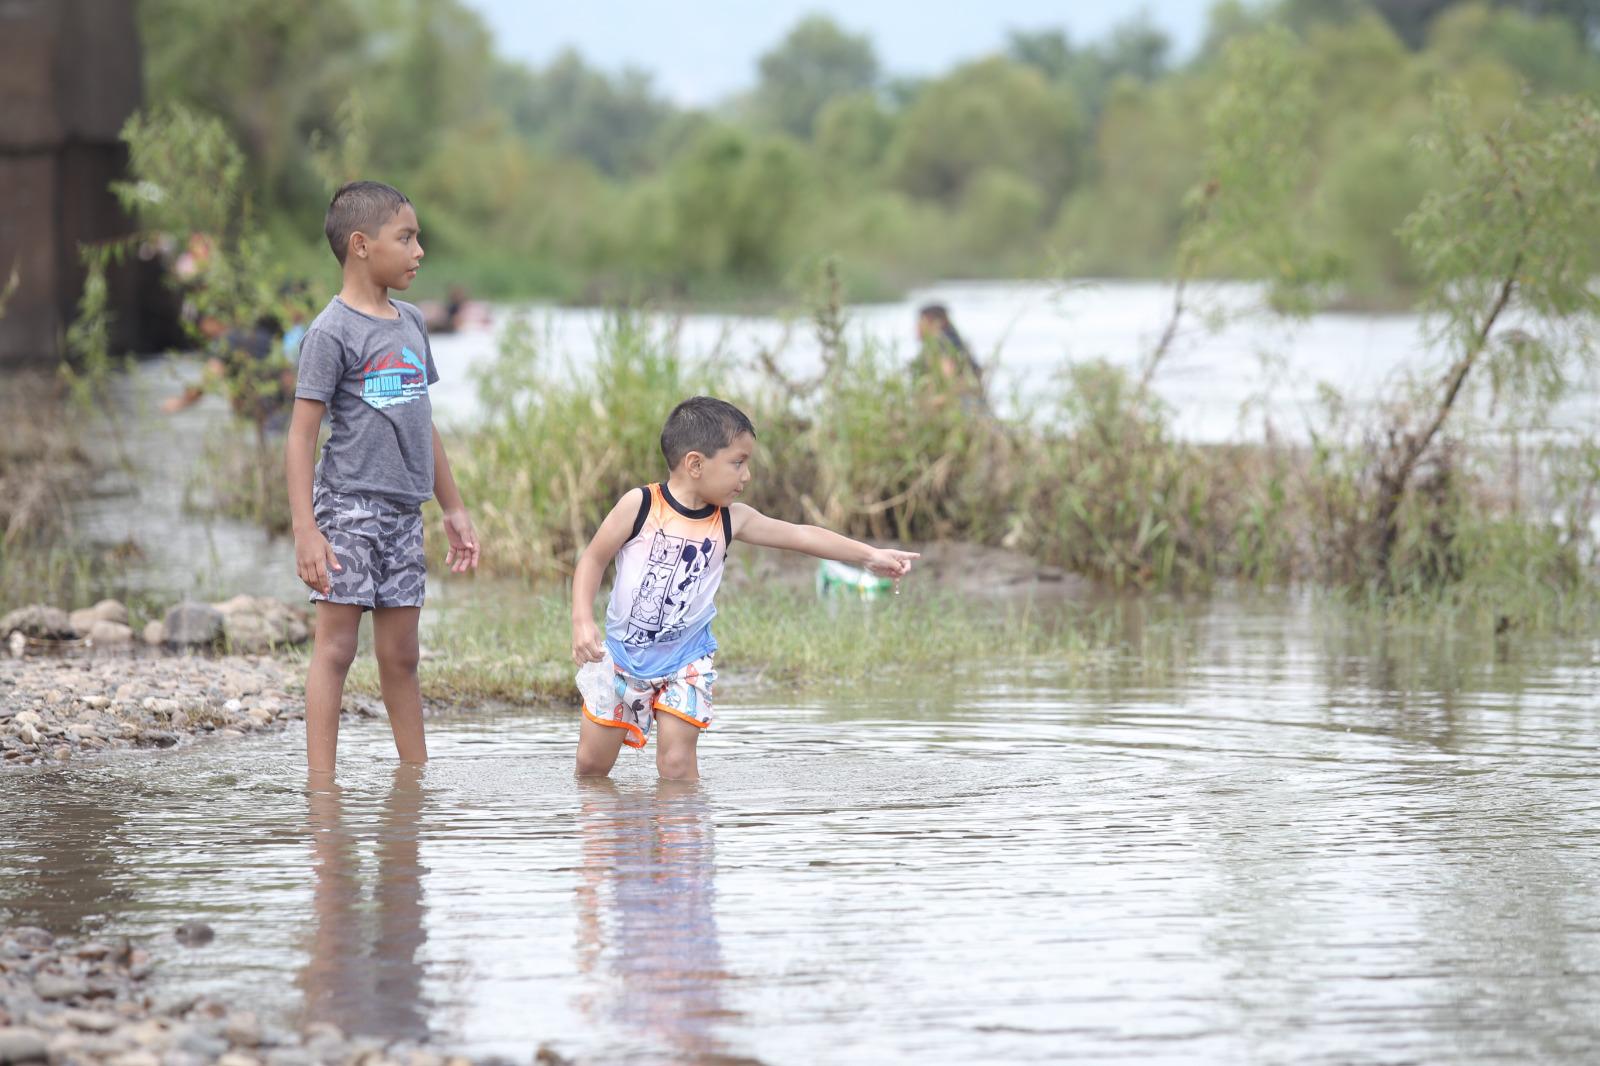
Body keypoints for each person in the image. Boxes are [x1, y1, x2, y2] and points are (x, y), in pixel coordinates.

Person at [569, 396, 918, 781]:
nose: (746, 476)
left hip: (686, 660)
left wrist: (868, 555)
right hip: (621, 656)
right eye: (738, 462)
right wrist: (582, 620)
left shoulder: (733, 520)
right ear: (696, 464)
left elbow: (800, 535)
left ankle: (684, 836)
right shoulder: (640, 505)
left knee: (677, 765)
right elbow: (592, 559)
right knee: (591, 768)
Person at [285, 180, 480, 774]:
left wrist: (452, 506)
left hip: (403, 512)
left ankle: (414, 780)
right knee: (337, 649)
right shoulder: (331, 331)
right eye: (407, 237)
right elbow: (300, 436)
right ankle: (323, 789)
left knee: (402, 654)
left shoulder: (412, 323)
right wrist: (305, 529)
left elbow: (424, 422)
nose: (419, 251)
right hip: (347, 508)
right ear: (362, 245)